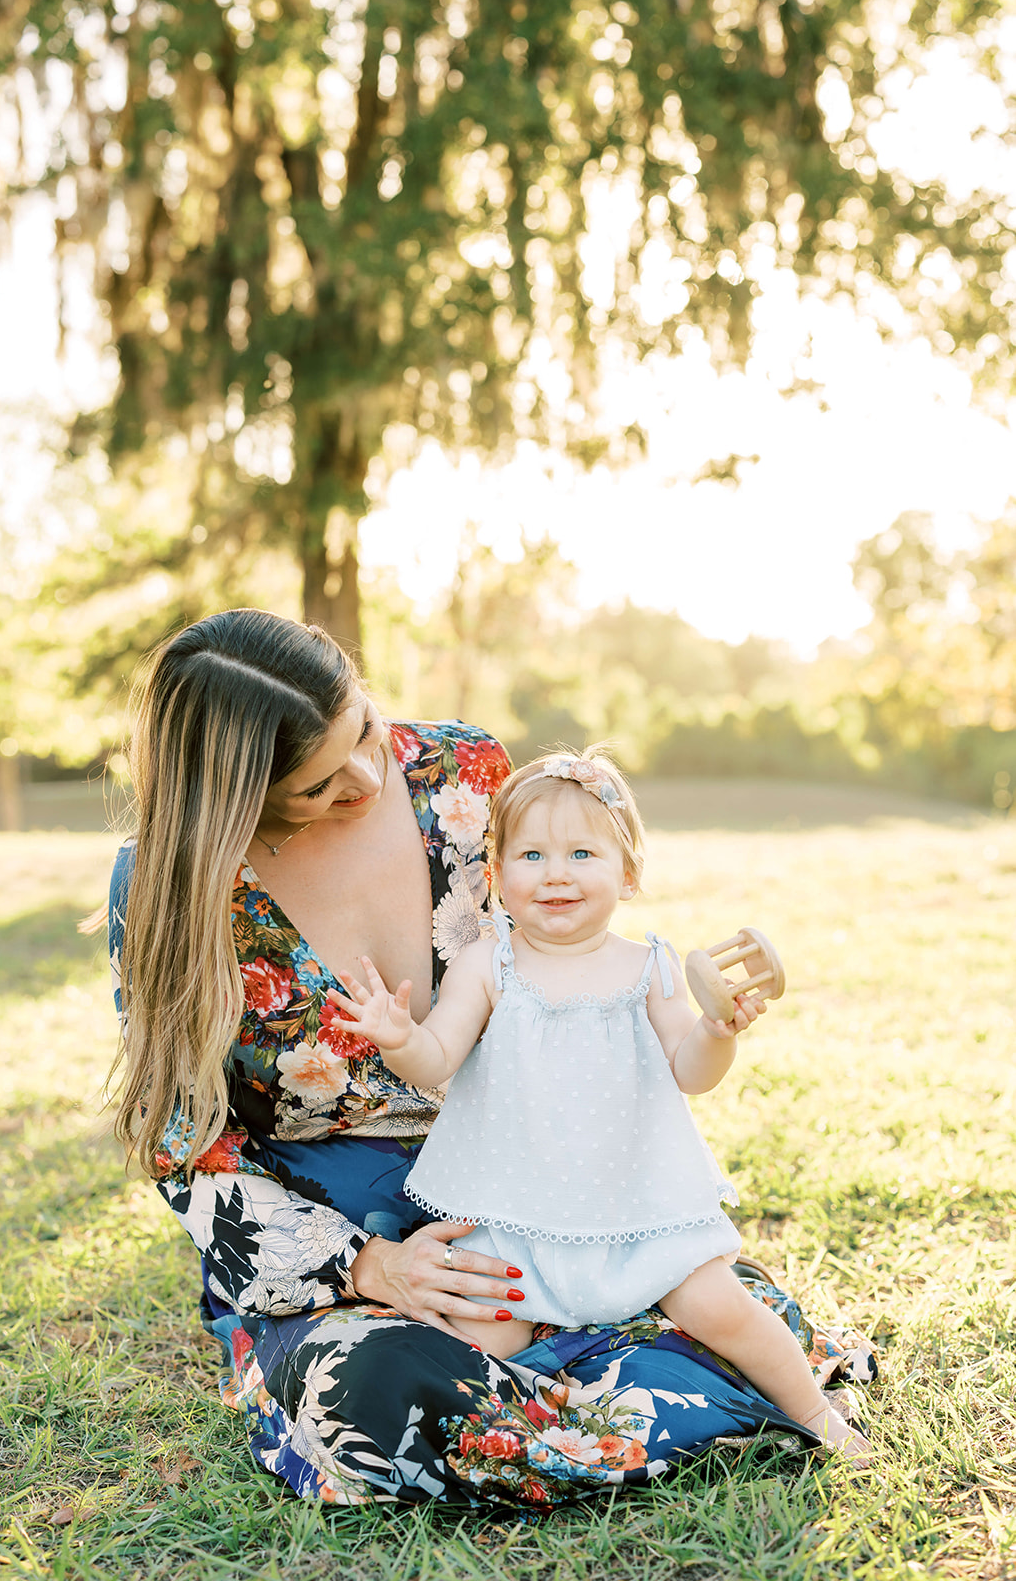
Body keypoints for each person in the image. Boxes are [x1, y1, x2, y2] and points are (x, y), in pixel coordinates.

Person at [106, 608, 874, 1510]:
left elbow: (570, 944)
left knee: (714, 1301)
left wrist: (695, 1022)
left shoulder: (461, 772)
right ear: (232, 795)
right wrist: (369, 1269)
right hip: (339, 1225)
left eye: (362, 729)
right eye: (313, 786)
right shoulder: (173, 886)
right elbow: (182, 1141)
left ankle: (612, 1352)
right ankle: (589, 1370)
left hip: (527, 1176)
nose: (361, 777)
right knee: (371, 1391)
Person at [332, 750, 870, 1464]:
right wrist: (400, 1038)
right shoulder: (487, 963)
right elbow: (437, 1059)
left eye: (582, 852)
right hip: (516, 1213)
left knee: (719, 1309)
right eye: (530, 854)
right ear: (496, 878)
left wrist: (715, 1032)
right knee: (473, 1340)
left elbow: (690, 1072)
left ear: (628, 872)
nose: (555, 873)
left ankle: (814, 1412)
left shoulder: (648, 964)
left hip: (636, 1208)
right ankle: (526, 1434)